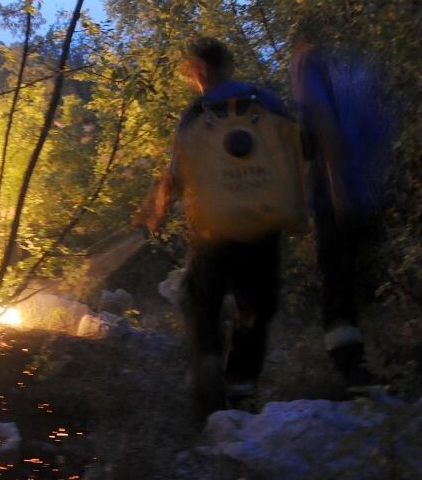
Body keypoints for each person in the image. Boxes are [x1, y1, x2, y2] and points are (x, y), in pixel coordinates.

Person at [137, 37, 300, 418]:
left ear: (199, 70)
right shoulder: (267, 102)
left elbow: (175, 178)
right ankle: (242, 392)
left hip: (213, 232)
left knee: (201, 303)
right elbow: (297, 149)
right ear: (229, 64)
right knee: (255, 308)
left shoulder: (196, 114)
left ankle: (208, 383)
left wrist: (154, 215)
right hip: (263, 226)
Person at [290, 25, 393, 394]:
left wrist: (336, 189)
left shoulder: (308, 63)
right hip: (373, 190)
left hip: (340, 195)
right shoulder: (357, 67)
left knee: (339, 285)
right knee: (364, 283)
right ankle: (380, 364)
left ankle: (354, 373)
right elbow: (381, 128)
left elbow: (322, 123)